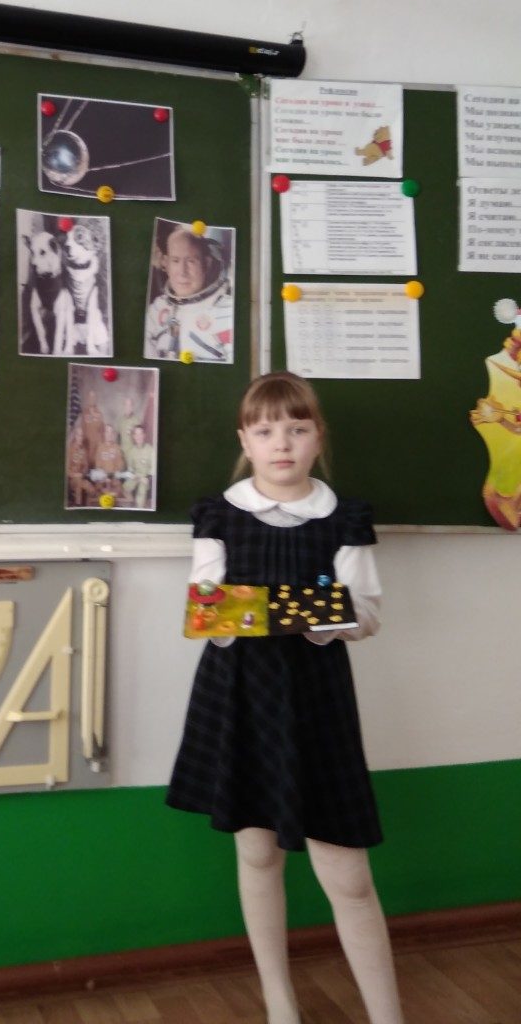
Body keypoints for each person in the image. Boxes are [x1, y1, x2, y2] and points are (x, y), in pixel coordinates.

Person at [166, 371, 404, 1024]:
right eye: (266, 430)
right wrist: (312, 605)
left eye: (297, 429)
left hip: (317, 698)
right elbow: (208, 616)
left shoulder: (344, 516)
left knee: (348, 875)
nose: (282, 443)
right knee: (256, 851)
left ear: (317, 437)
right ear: (244, 439)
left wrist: (258, 607)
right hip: (239, 695)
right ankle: (280, 1004)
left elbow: (365, 616)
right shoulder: (218, 514)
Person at [144, 225, 232, 362]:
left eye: (191, 261)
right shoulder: (156, 310)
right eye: (175, 261)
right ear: (166, 263)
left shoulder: (227, 312)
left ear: (207, 263)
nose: (182, 272)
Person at [122, 422, 155, 509]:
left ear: (144, 435)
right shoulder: (131, 451)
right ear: (133, 436)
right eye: (136, 434)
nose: (138, 436)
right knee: (124, 488)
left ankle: (140, 506)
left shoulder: (151, 450)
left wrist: (147, 478)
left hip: (146, 478)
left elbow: (153, 469)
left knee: (141, 495)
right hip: (136, 477)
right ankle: (133, 503)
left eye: (140, 434)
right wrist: (134, 476)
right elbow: (130, 470)